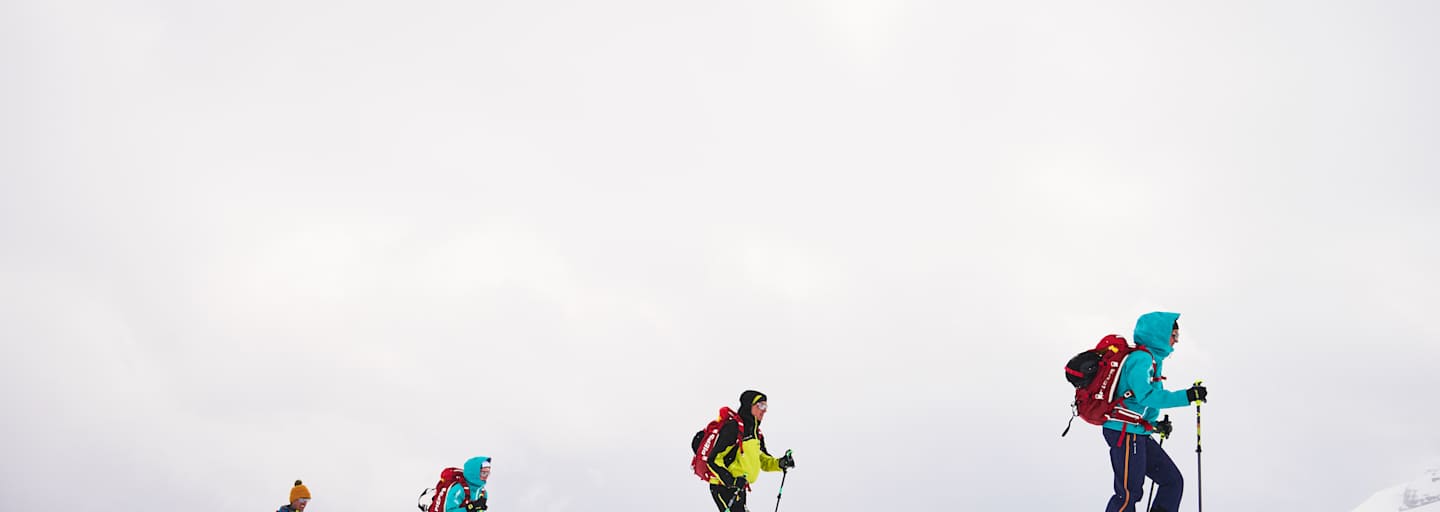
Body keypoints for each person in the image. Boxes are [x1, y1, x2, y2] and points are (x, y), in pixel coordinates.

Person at [1102, 312, 1208, 512]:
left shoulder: (1152, 359)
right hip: (1124, 433)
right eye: (1173, 335)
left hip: (1136, 432)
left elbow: (1138, 402)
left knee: (1172, 481)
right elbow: (1145, 396)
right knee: (1128, 495)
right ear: (1159, 335)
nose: (1175, 341)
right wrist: (1187, 396)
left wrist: (1154, 425)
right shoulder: (1140, 359)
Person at [706, 390, 795, 512]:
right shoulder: (734, 428)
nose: (765, 410)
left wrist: (780, 463)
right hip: (723, 487)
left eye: (766, 406)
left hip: (739, 488)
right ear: (749, 406)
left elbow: (763, 459)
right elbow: (713, 460)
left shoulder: (756, 433)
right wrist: (732, 481)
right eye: (761, 405)